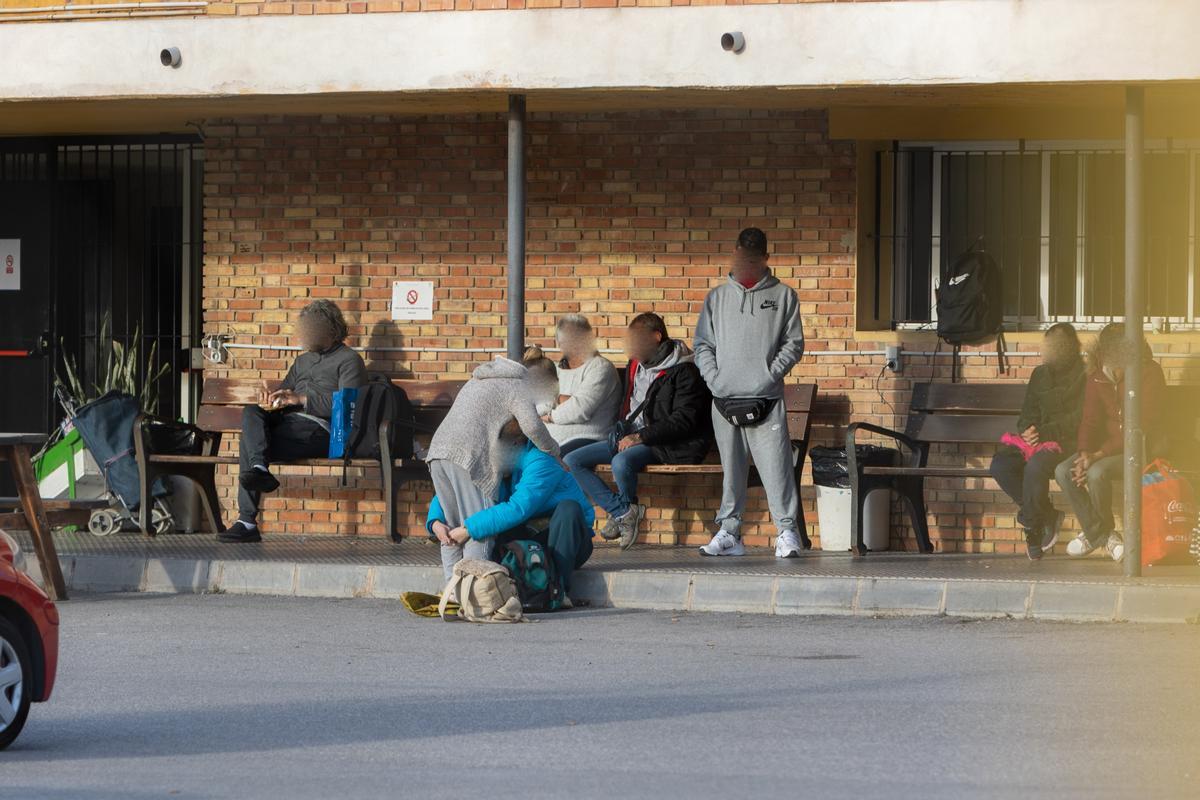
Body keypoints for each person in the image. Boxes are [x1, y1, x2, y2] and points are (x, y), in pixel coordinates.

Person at [693, 227, 806, 558]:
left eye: (755, 256)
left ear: (766, 258)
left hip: (766, 400)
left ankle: (787, 532)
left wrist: (768, 376)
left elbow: (794, 343)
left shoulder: (784, 296)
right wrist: (715, 380)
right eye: (744, 253)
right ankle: (729, 533)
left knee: (777, 467)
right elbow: (702, 345)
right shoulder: (716, 298)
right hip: (723, 398)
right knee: (732, 469)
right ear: (735, 251)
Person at [222, 299, 367, 544]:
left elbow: (349, 406)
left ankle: (247, 520)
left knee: (250, 444)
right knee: (251, 413)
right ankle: (259, 469)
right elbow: (284, 392)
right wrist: (272, 398)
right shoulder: (302, 361)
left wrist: (300, 398)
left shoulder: (349, 360)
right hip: (288, 425)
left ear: (331, 330)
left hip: (320, 430)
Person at [564, 313, 712, 550]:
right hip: (630, 437)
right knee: (572, 460)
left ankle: (624, 512)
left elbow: (685, 421)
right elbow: (628, 405)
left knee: (621, 462)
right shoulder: (636, 366)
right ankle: (622, 511)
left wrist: (641, 436)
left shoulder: (685, 371)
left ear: (656, 337)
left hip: (668, 443)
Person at [425, 355, 562, 578]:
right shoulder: (518, 385)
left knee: (449, 528)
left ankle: (452, 593)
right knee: (479, 530)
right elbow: (532, 426)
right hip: (470, 457)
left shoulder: (478, 379)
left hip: (437, 451)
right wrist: (555, 452)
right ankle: (472, 594)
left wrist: (433, 521)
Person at [427, 419, 596, 594]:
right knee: (494, 524)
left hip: (567, 541)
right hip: (527, 540)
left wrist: (468, 529)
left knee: (569, 509)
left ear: (514, 443)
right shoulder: (500, 460)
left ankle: (558, 590)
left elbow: (518, 508)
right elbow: (457, 489)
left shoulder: (541, 461)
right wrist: (435, 521)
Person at [1054, 324, 1167, 562]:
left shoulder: (1148, 372)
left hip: (1138, 448)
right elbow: (1090, 420)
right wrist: (1084, 453)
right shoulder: (1097, 375)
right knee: (1063, 470)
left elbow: (1138, 426)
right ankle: (1103, 534)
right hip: (1102, 450)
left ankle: (1097, 534)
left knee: (1097, 473)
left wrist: (1097, 455)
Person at [989, 323, 1086, 560]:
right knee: (1001, 465)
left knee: (1036, 466)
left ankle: (1032, 528)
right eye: (1051, 345)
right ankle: (1046, 516)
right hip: (1036, 441)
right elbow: (1027, 413)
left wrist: (1044, 432)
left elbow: (1080, 419)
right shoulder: (1039, 375)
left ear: (1072, 347)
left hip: (1066, 442)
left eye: (1059, 346)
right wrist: (1027, 431)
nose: (1053, 350)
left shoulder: (1085, 374)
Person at [540, 315, 621, 456]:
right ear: (560, 343)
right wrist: (559, 399)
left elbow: (579, 410)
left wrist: (551, 415)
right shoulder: (556, 371)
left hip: (588, 439)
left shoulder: (600, 367)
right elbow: (538, 403)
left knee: (547, 462)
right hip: (552, 441)